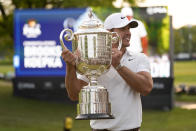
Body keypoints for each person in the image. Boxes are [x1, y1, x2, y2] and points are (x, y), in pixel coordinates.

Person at [61, 12, 153, 131]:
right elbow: (74, 95)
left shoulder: (139, 58)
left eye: (129, 29)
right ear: (108, 33)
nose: (128, 33)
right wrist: (70, 66)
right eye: (122, 29)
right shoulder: (93, 60)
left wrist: (118, 66)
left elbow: (146, 88)